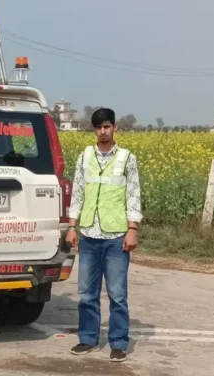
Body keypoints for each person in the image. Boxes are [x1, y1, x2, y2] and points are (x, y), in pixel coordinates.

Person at [65, 107, 142, 363]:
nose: (103, 131)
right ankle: (87, 338)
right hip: (88, 233)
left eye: (107, 126)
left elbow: (133, 194)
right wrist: (72, 226)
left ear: (115, 127)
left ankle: (118, 342)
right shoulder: (85, 156)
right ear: (94, 129)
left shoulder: (126, 158)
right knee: (87, 293)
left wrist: (132, 229)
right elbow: (77, 192)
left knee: (117, 294)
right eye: (98, 127)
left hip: (116, 235)